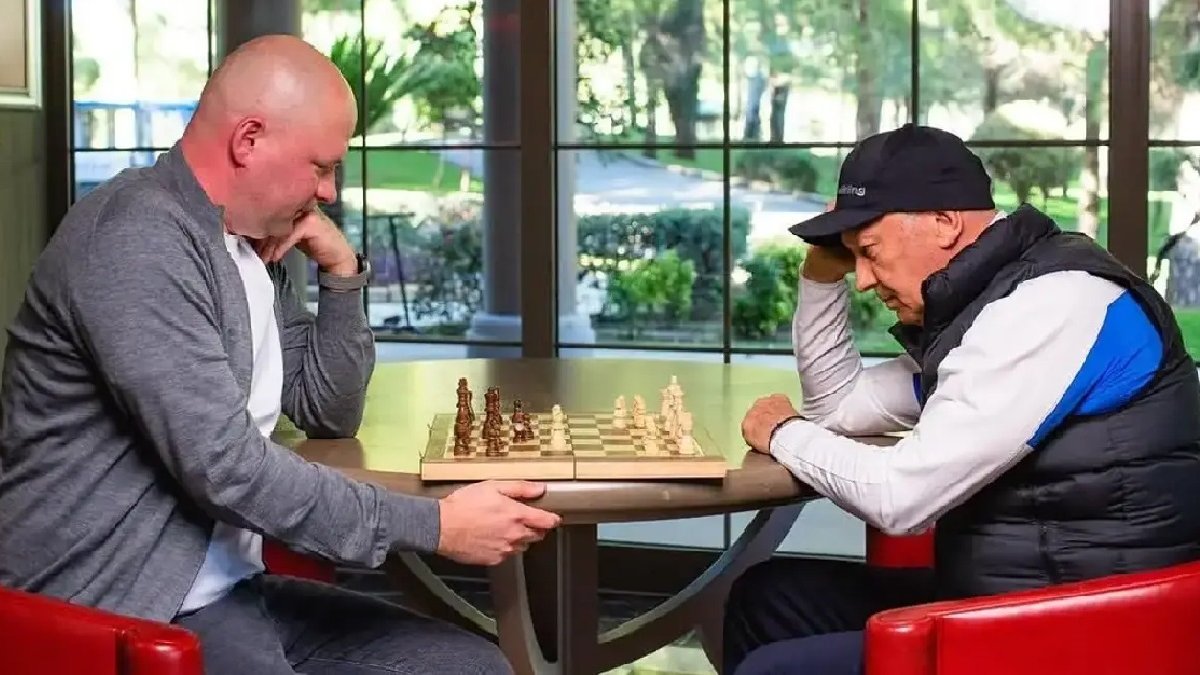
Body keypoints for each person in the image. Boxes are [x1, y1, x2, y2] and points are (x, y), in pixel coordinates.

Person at [0, 35, 559, 674]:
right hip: (116, 602)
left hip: (226, 592)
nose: (329, 191)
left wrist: (341, 274)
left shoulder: (247, 244)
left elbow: (327, 410)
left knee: (468, 666)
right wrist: (436, 526)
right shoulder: (138, 239)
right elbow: (228, 470)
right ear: (248, 140)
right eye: (321, 167)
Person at [726, 123, 1200, 674]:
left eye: (870, 251)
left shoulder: (1050, 307)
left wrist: (783, 432)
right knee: (767, 599)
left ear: (945, 222)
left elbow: (900, 498)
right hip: (1006, 600)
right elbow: (837, 409)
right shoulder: (987, 312)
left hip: (1091, 631)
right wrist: (819, 278)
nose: (863, 280)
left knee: (777, 668)